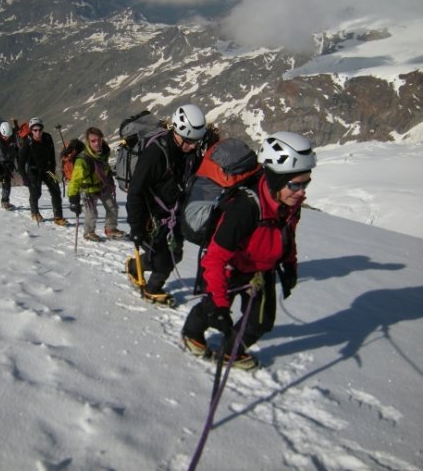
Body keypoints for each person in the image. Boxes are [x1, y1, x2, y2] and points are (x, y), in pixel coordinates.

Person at [181, 132, 317, 370]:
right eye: (295, 184)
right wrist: (220, 305)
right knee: (210, 308)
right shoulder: (245, 208)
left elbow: (286, 236)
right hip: (230, 268)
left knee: (261, 323)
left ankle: (229, 351)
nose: (302, 191)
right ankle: (191, 334)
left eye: (306, 183)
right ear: (276, 180)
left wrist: (289, 265)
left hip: (261, 270)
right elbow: (214, 258)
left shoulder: (289, 205)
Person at [125, 104, 207, 304]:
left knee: (174, 255)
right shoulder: (155, 154)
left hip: (173, 213)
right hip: (150, 217)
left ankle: (137, 267)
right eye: (188, 141)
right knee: (164, 257)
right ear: (176, 132)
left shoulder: (190, 153)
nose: (192, 146)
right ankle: (152, 287)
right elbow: (135, 191)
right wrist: (136, 226)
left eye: (196, 142)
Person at [68, 127, 126, 242]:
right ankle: (89, 232)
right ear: (88, 142)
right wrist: (73, 197)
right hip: (88, 189)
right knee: (92, 212)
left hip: (102, 186)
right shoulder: (83, 159)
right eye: (93, 141)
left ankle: (110, 229)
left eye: (99, 140)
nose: (97, 143)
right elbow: (75, 180)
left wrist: (109, 178)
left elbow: (104, 167)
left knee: (112, 207)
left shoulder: (104, 152)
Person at [18, 117, 68, 225]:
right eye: (35, 130)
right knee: (36, 192)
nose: (38, 132)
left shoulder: (47, 138)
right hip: (33, 171)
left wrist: (53, 168)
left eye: (40, 129)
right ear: (31, 130)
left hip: (48, 169)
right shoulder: (27, 142)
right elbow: (21, 163)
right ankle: (35, 212)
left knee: (56, 190)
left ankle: (58, 217)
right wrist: (24, 177)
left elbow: (51, 154)